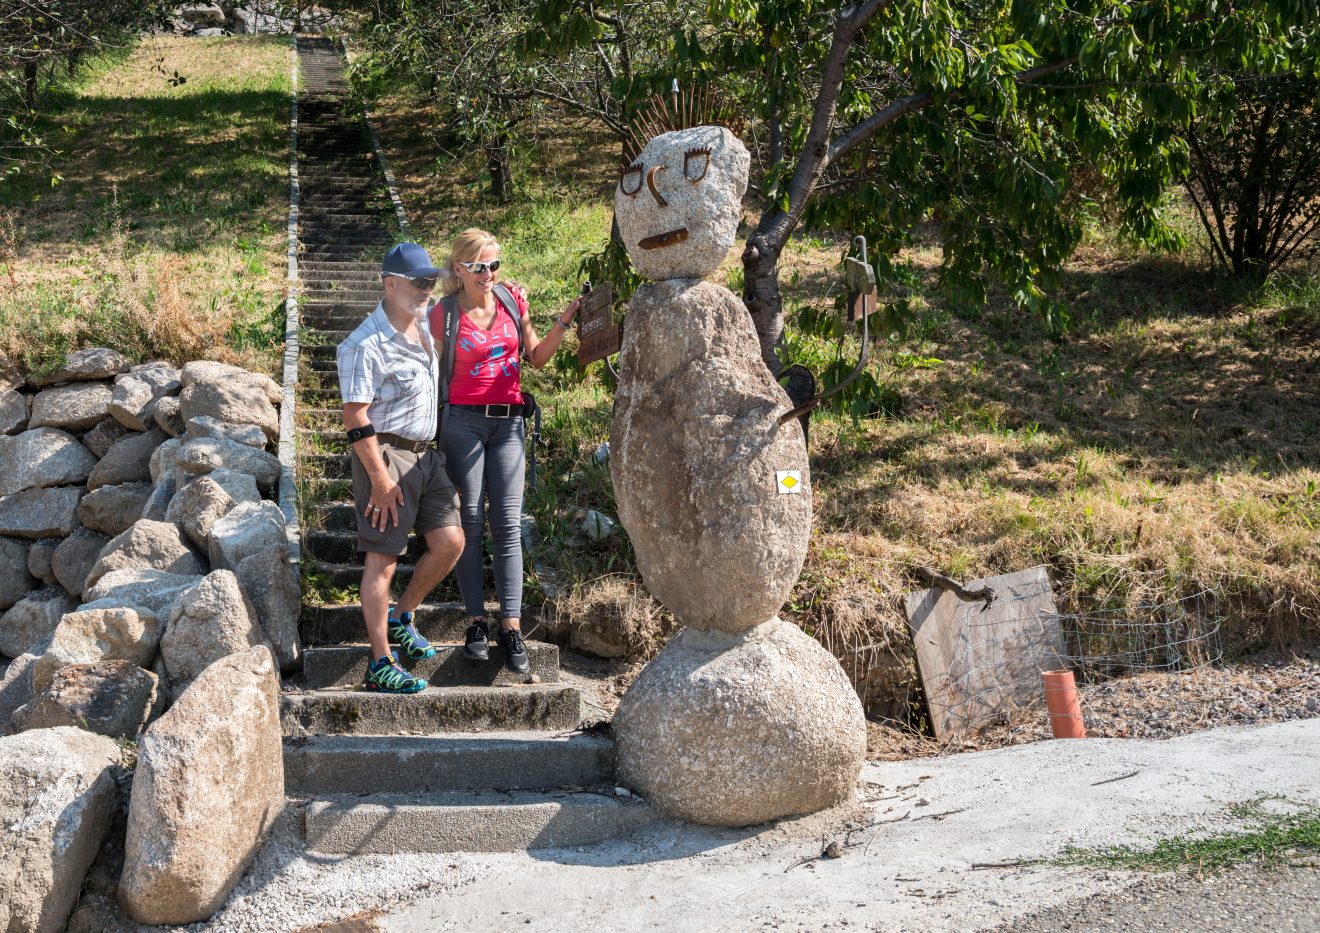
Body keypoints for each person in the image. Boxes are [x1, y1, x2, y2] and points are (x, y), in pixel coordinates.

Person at [431, 228, 581, 674]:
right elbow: (427, 369)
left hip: (510, 421)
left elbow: (535, 357)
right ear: (459, 269)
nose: (489, 274)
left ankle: (511, 625)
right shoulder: (443, 314)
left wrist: (565, 321)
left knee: (508, 523)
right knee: (471, 521)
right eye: (480, 267)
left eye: (494, 265)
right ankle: (476, 620)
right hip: (462, 422)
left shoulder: (512, 302)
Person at [337, 241, 465, 693]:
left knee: (451, 541)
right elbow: (355, 415)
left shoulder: (422, 327)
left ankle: (401, 615)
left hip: (428, 456)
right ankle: (380, 663)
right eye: (418, 281)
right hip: (387, 454)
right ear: (390, 284)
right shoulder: (363, 344)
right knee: (383, 560)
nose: (426, 288)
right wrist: (379, 478)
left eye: (430, 281)